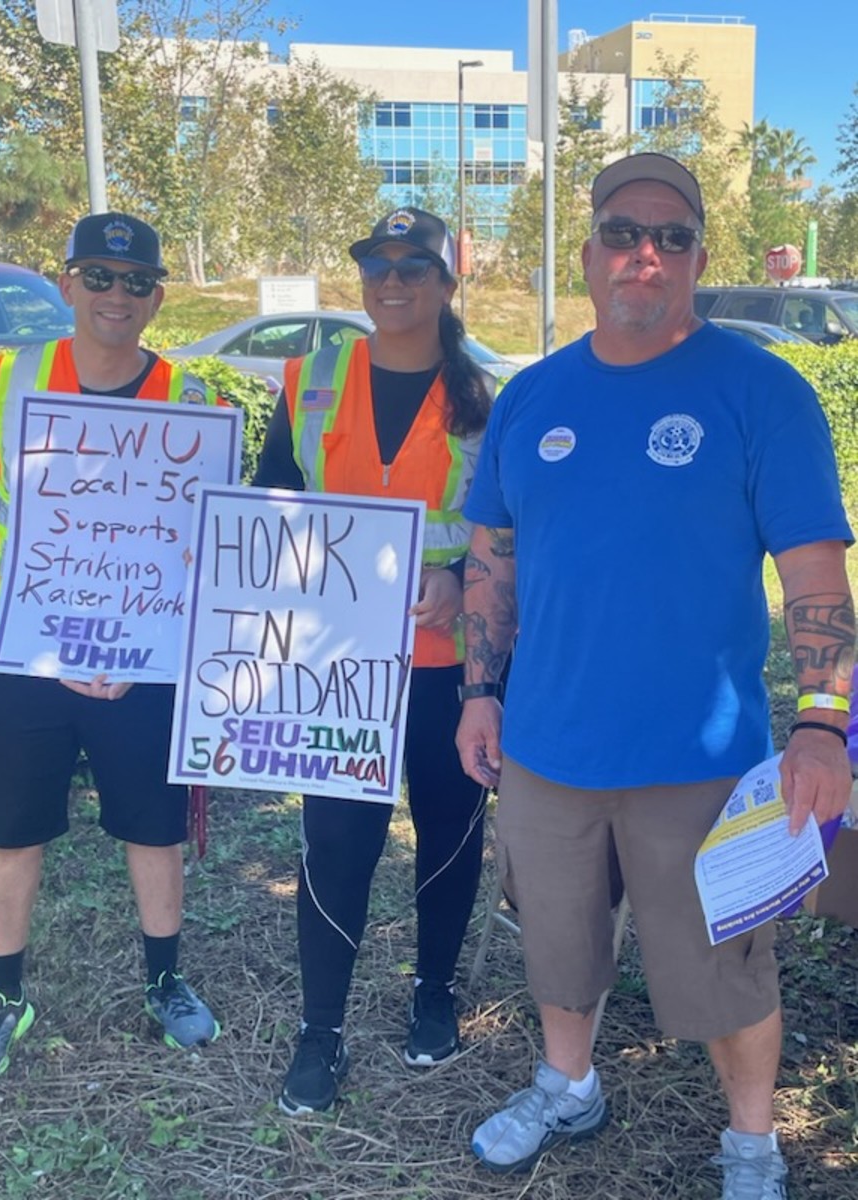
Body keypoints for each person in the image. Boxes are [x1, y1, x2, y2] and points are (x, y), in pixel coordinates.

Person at [455, 154, 854, 1197]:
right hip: (547, 746)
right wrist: (478, 690)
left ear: (699, 259)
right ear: (588, 253)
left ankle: (754, 1145)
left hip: (701, 759)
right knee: (556, 940)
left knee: (724, 963)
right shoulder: (532, 396)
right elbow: (490, 556)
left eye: (672, 235)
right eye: (624, 231)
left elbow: (816, 574)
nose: (647, 251)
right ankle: (567, 1082)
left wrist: (822, 724)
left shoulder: (762, 392)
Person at [0, 213, 222, 1078]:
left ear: (156, 297)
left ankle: (165, 981)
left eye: (136, 281)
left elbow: (209, 539)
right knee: (11, 830)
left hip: (138, 660)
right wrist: (49, 572)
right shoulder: (5, 378)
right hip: (27, 647)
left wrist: (129, 616)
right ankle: (3, 998)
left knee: (153, 829)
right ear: (66, 283)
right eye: (98, 277)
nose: (117, 295)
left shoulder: (193, 404)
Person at [253, 207, 492, 1116]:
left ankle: (434, 994)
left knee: (449, 830)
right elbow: (272, 509)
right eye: (376, 265)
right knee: (338, 842)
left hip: (445, 663)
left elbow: (506, 529)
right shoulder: (309, 379)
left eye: (413, 266)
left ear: (444, 283)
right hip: (338, 666)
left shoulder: (481, 396)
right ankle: (323, 1029)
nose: (392, 282)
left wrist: (458, 575)